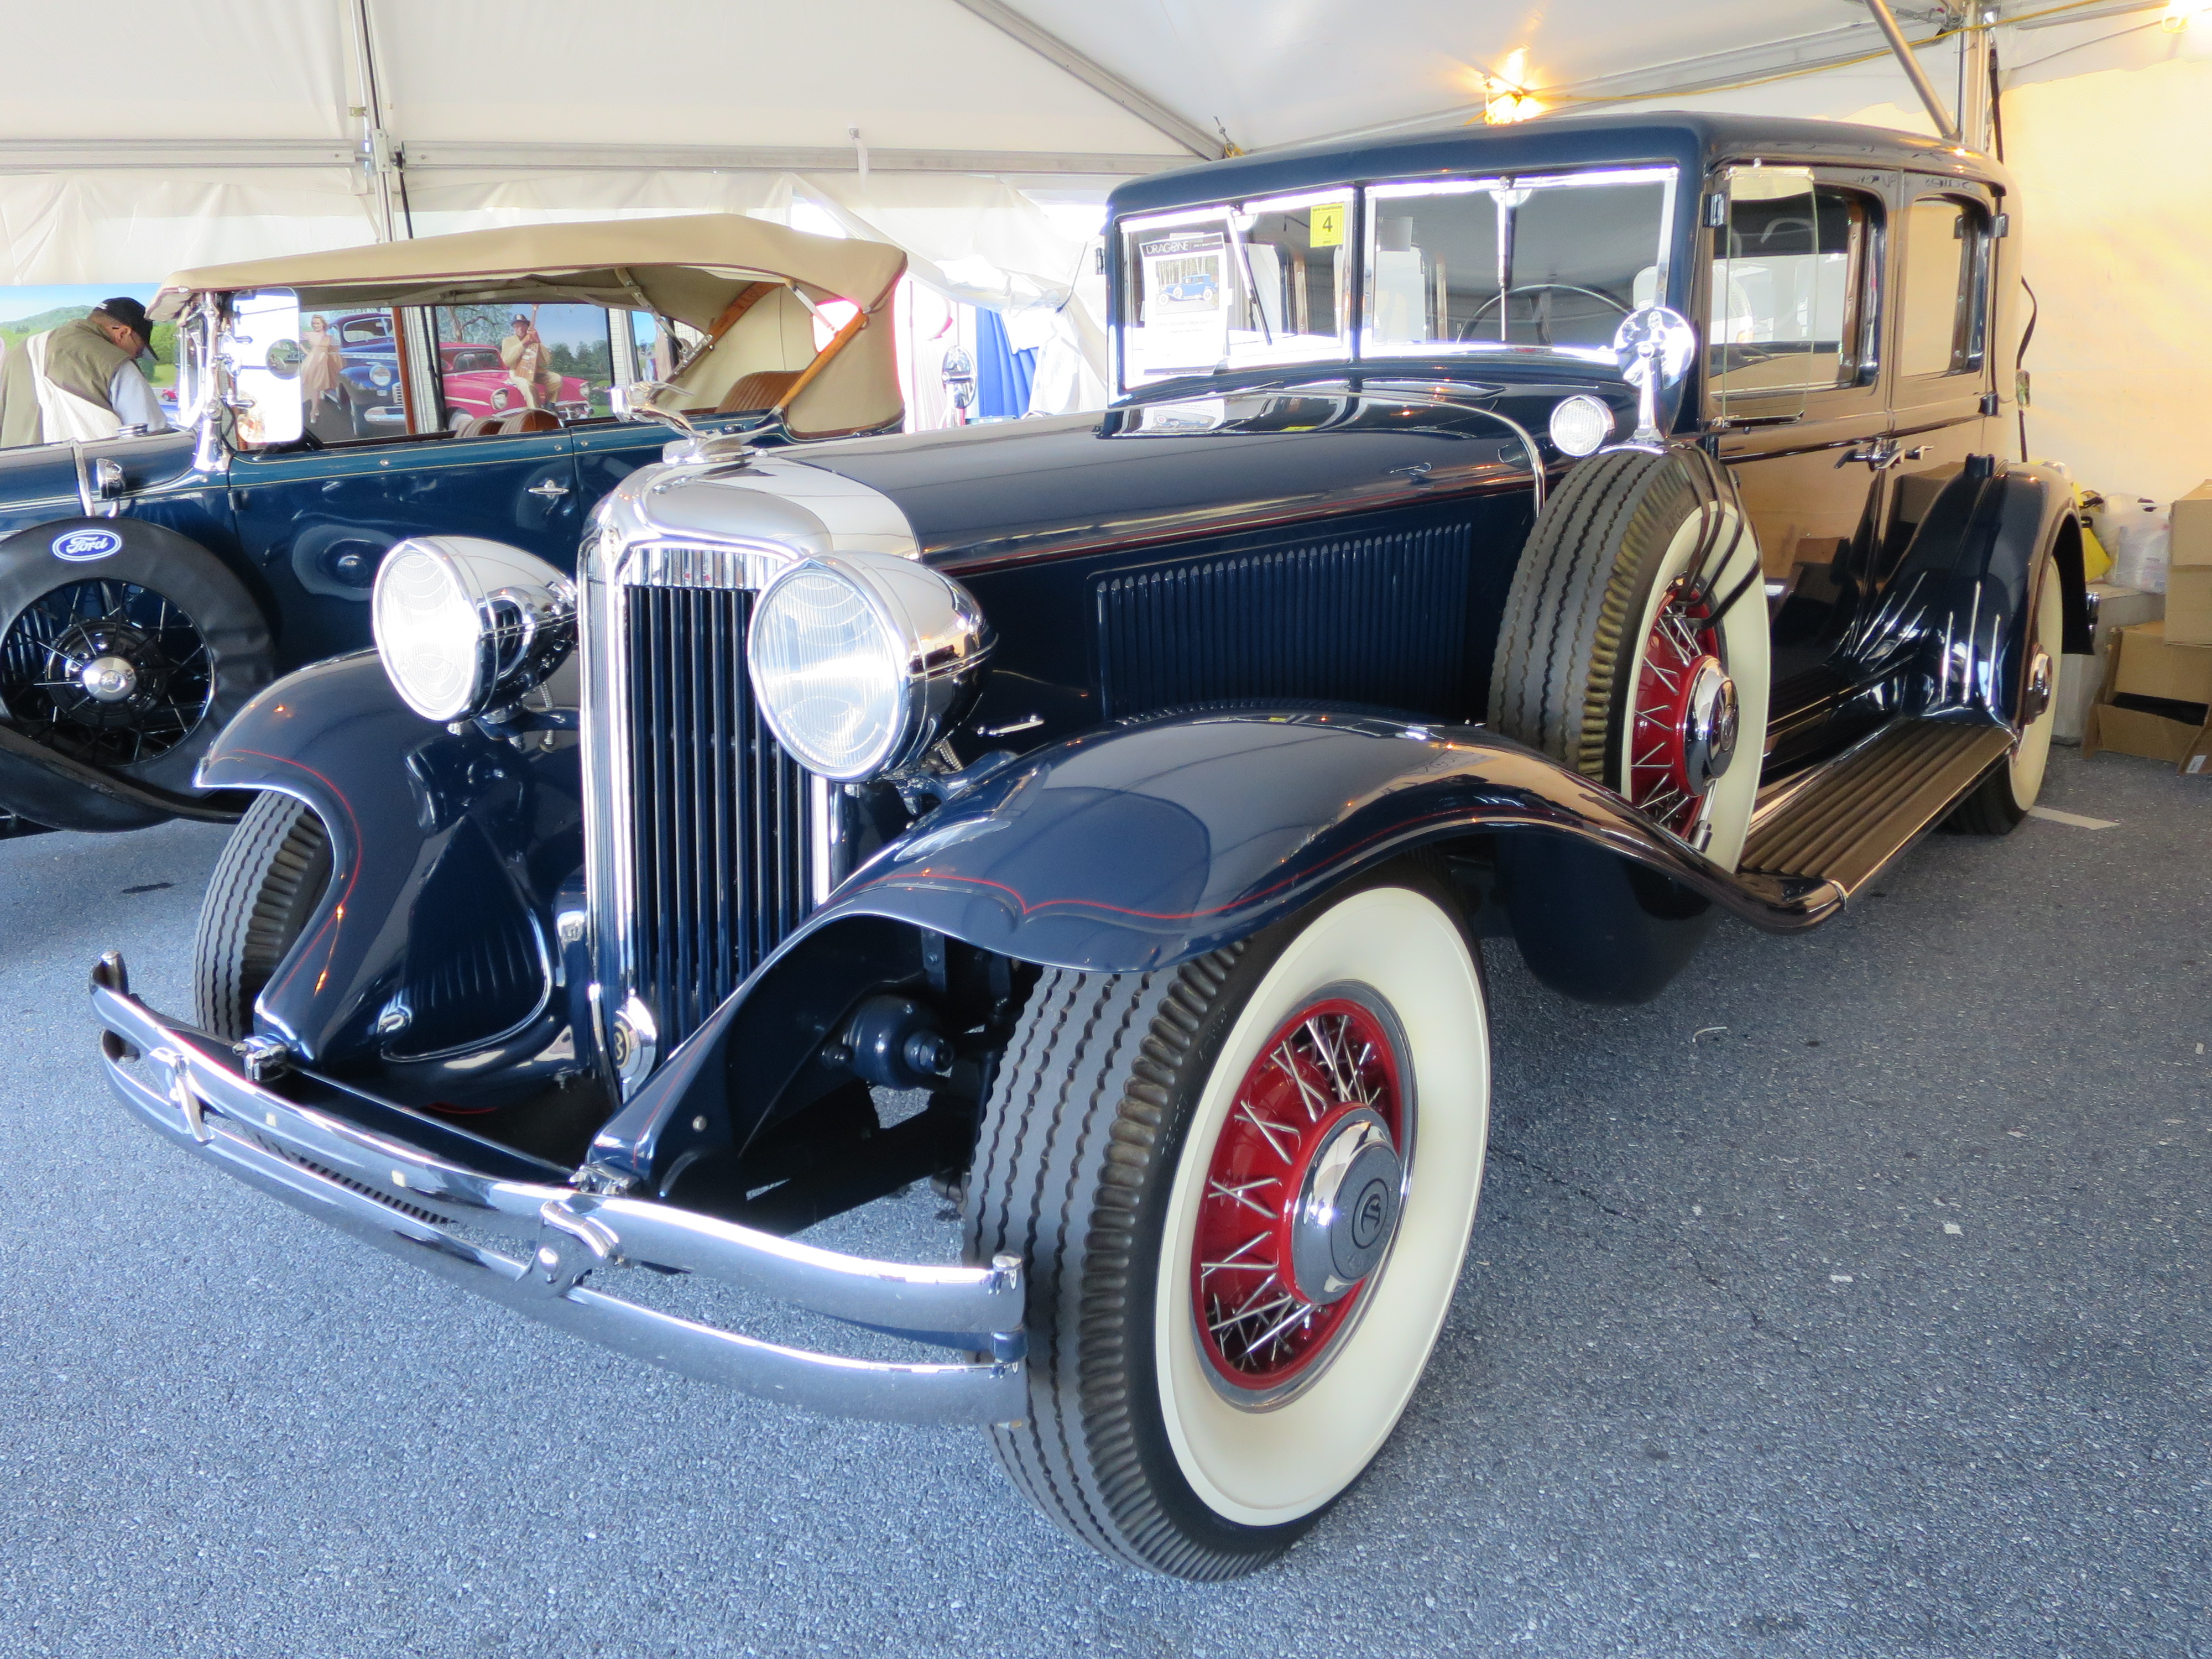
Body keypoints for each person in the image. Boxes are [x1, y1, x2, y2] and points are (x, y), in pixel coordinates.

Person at [0, 296, 168, 448]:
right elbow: (152, 436)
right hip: (77, 474)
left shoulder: (19, 351)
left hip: (15, 474)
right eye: (138, 352)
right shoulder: (114, 362)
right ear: (123, 333)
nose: (134, 357)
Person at [499, 310, 560, 410]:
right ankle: (536, 412)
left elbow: (547, 361)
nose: (520, 328)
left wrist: (538, 342)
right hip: (517, 372)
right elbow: (507, 361)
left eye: (523, 325)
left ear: (527, 327)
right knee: (527, 384)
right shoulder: (508, 341)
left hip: (535, 371)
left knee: (556, 378)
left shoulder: (534, 340)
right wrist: (523, 343)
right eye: (517, 326)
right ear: (514, 328)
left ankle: (550, 407)